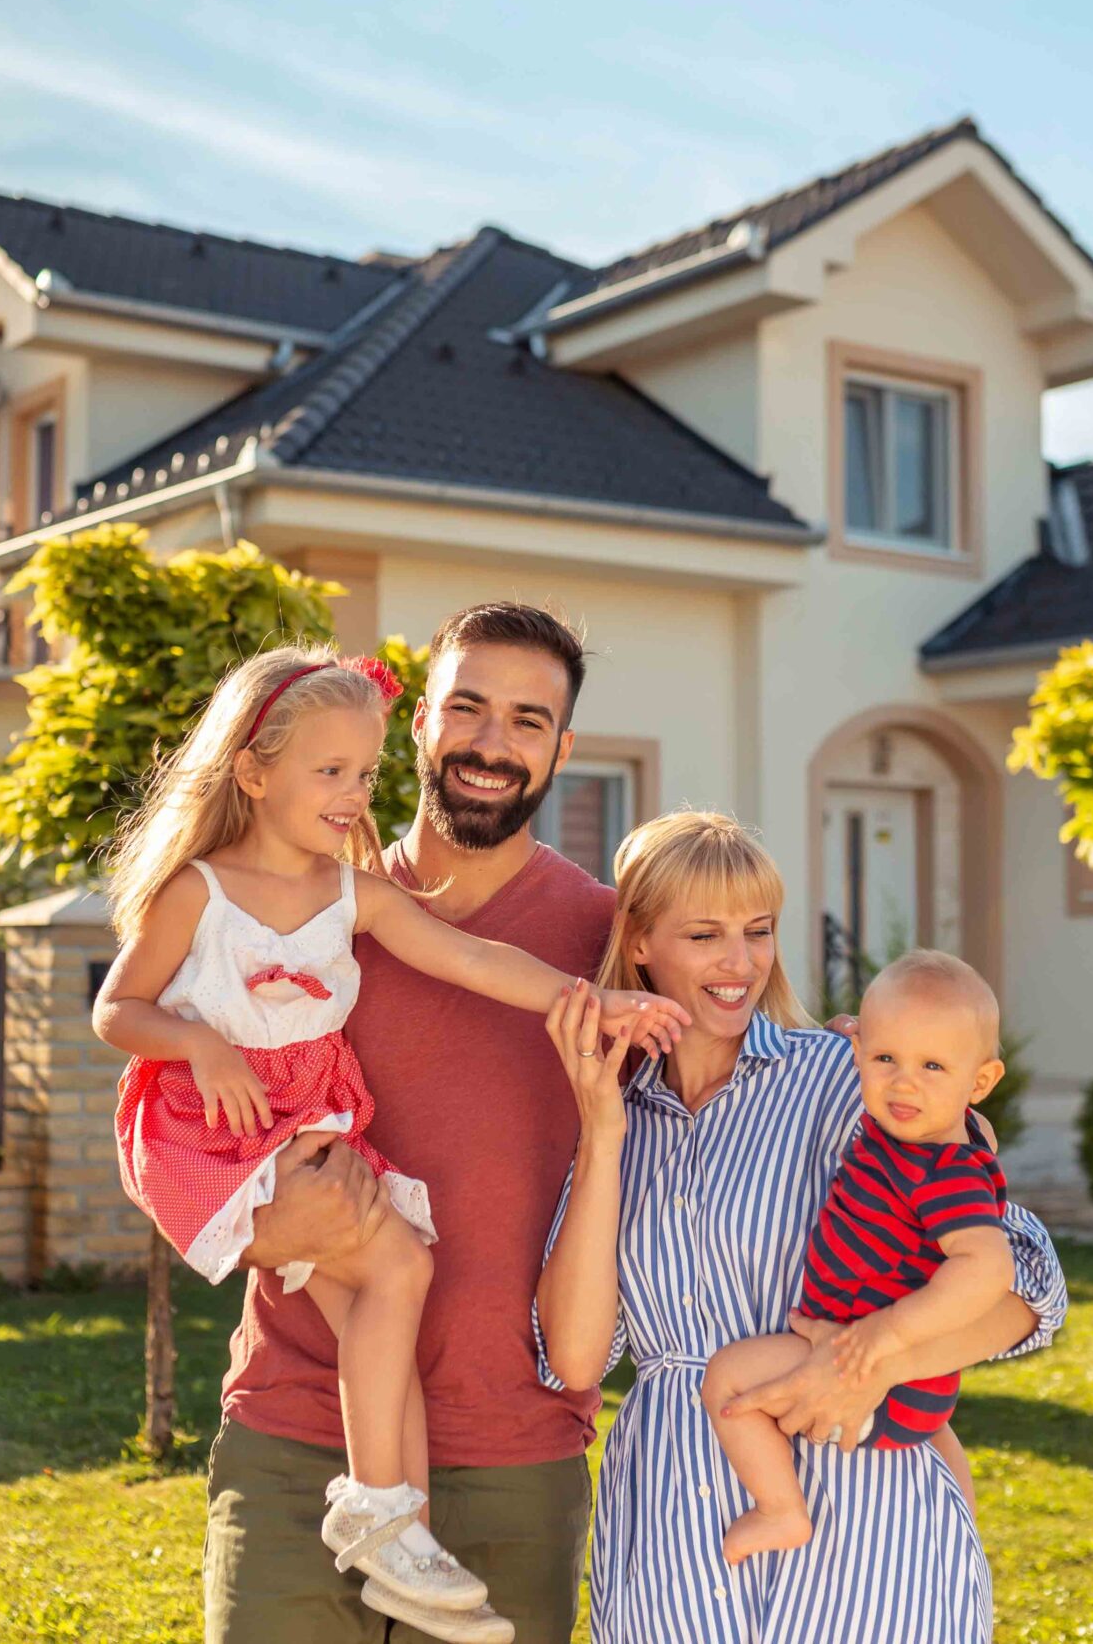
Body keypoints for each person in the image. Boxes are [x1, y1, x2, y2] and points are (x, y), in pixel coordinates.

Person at [96, 645, 684, 1630]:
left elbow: (482, 962)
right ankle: (384, 1512)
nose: (494, 740)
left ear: (563, 748)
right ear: (419, 722)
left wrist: (866, 1068)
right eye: (467, 707)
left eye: (528, 720)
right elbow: (134, 1046)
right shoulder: (224, 894)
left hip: (514, 1450)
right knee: (396, 1267)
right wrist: (213, 1082)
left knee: (392, 1269)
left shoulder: (592, 929)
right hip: (286, 1424)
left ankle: (386, 1518)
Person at [535, 813, 1068, 1643]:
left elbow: (1033, 1282)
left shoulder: (847, 1079)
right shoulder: (610, 1119)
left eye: (759, 931)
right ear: (640, 943)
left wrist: (871, 1361)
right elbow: (575, 1358)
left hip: (864, 1528)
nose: (740, 963)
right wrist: (602, 1132)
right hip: (675, 1538)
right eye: (705, 933)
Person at [700, 949, 1013, 1566]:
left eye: (932, 1066)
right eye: (886, 1058)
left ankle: (780, 1510)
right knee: (937, 1434)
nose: (904, 1083)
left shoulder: (944, 1171)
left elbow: (991, 1267)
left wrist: (888, 1333)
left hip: (860, 1358)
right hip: (909, 1387)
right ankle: (964, 1526)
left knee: (727, 1380)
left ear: (978, 1083)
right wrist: (850, 1034)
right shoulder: (902, 1133)